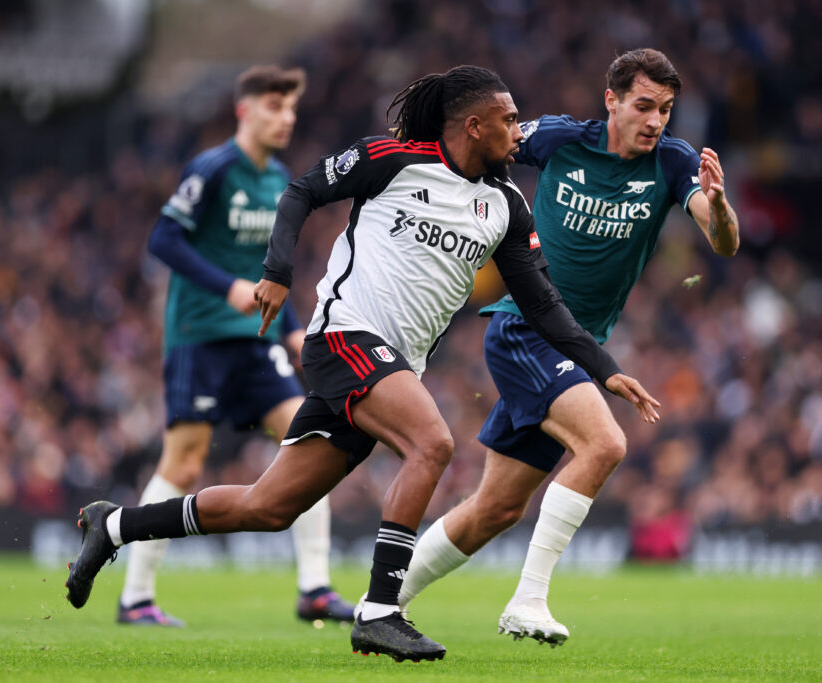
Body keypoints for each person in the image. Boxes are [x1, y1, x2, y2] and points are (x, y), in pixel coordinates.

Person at [64, 65, 661, 662]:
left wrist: (604, 369)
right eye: (508, 121)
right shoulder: (394, 159)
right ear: (474, 127)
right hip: (345, 336)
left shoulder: (505, 205)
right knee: (432, 443)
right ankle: (380, 610)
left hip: (390, 364)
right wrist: (276, 271)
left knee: (268, 507)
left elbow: (544, 306)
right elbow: (302, 191)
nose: (517, 131)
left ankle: (113, 526)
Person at [393, 48, 740, 646]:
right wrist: (412, 154)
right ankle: (528, 602)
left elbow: (721, 240)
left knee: (493, 512)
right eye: (643, 105)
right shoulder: (558, 139)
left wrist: (723, 208)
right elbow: (479, 146)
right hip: (524, 329)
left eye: (665, 108)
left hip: (573, 350)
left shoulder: (674, 162)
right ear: (611, 101)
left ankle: (381, 602)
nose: (655, 120)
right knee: (604, 444)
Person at [119, 64, 352, 627]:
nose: (285, 118)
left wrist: (294, 325)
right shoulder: (213, 168)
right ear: (244, 110)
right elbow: (164, 239)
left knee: (311, 440)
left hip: (258, 339)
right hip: (200, 337)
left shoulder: (278, 182)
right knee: (186, 460)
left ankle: (315, 589)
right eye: (275, 107)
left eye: (292, 109)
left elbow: (268, 269)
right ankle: (136, 597)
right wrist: (228, 289)